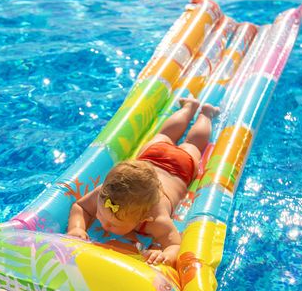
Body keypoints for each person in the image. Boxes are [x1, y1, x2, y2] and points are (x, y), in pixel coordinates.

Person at [67, 98, 219, 267]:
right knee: (168, 136)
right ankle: (192, 108)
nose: (105, 224)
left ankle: (206, 114)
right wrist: (77, 228)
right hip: (152, 155)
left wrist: (164, 255)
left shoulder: (157, 220)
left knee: (191, 144)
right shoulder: (105, 193)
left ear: (144, 217)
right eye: (101, 214)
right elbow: (81, 207)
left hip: (181, 166)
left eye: (114, 224)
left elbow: (175, 244)